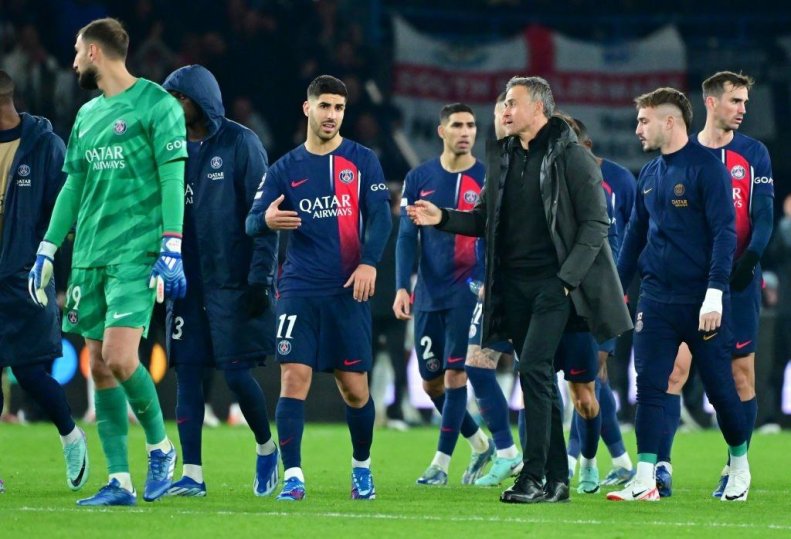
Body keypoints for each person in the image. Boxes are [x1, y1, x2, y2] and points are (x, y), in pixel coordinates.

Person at [408, 76, 631, 504]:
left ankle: (532, 476)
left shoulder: (572, 156)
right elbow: (484, 219)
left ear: (539, 108)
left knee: (532, 369)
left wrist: (566, 281)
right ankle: (557, 480)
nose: (505, 110)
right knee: (539, 375)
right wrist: (443, 218)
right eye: (505, 103)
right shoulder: (505, 155)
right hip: (513, 287)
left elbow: (595, 225)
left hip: (555, 287)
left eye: (513, 102)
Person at [28, 18, 186, 506]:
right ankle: (120, 480)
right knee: (98, 366)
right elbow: (73, 185)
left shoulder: (157, 104)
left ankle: (160, 447)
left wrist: (172, 244)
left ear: (94, 52)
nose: (73, 61)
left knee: (120, 357)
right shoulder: (87, 115)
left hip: (136, 253)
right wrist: (48, 247)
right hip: (90, 256)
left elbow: (172, 177)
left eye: (77, 51)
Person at [246, 75, 391, 501]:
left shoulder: (362, 160)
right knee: (294, 378)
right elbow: (252, 221)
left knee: (354, 388)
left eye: (339, 108)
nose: (332, 115)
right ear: (307, 108)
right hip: (299, 288)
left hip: (347, 289)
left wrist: (369, 262)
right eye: (324, 106)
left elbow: (381, 216)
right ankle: (294, 476)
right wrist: (266, 220)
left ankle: (361, 468)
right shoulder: (284, 169)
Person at [609, 87, 750, 502]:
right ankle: (645, 479)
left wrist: (715, 292)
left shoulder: (706, 169)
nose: (638, 129)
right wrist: (614, 291)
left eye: (643, 120)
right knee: (649, 387)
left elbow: (725, 233)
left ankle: (739, 465)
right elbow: (633, 238)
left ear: (669, 121)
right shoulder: (649, 174)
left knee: (720, 389)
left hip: (701, 300)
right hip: (656, 299)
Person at [650, 72, 774, 498]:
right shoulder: (682, 153)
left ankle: (736, 468)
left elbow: (763, 218)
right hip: (689, 283)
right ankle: (661, 468)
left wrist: (748, 263)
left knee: (740, 376)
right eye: (735, 100)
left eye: (745, 102)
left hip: (738, 281)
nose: (743, 109)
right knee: (674, 371)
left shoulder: (753, 153)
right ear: (710, 101)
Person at [160, 64, 279, 498]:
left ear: (198, 99)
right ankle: (192, 475)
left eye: (179, 98)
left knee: (236, 375)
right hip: (186, 283)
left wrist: (260, 278)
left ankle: (266, 447)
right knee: (188, 373)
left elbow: (265, 217)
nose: (172, 106)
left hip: (232, 282)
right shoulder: (167, 146)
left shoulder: (241, 143)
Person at [394, 102, 494, 486]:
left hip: (468, 289)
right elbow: (407, 236)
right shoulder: (419, 177)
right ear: (442, 131)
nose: (465, 132)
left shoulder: (486, 178)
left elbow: (492, 235)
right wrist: (401, 286)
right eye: (457, 125)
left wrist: (485, 280)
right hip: (428, 292)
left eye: (470, 125)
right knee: (431, 382)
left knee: (455, 374)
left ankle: (440, 464)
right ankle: (480, 443)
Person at [0, 69, 89, 492]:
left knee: (32, 372)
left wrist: (60, 275)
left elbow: (67, 214)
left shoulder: (45, 146)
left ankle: (70, 434)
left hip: (26, 277)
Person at [565, 117, 637, 490]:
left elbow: (637, 233)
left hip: (607, 292)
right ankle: (619, 460)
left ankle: (577, 459)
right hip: (567, 292)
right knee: (584, 380)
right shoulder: (559, 181)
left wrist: (623, 285)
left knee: (592, 375)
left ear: (586, 146)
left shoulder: (620, 180)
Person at [465, 92, 522, 487]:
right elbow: (485, 227)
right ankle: (507, 453)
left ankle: (562, 461)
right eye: (500, 112)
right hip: (496, 289)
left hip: (532, 288)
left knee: (543, 376)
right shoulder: (496, 165)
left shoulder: (542, 162)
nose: (504, 118)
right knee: (476, 365)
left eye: (510, 111)